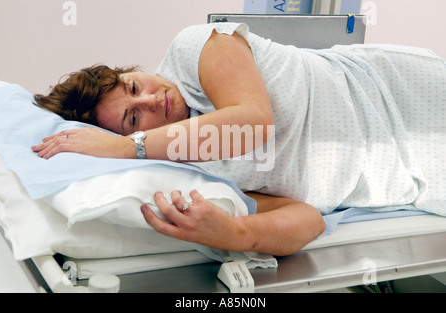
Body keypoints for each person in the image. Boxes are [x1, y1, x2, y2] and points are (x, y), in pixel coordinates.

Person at [31, 23, 446, 256]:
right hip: (417, 172)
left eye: (134, 85)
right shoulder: (186, 172)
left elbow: (251, 123)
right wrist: (235, 232)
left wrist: (125, 145)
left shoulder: (196, 48)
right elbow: (307, 219)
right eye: (135, 116)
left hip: (402, 92)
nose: (156, 98)